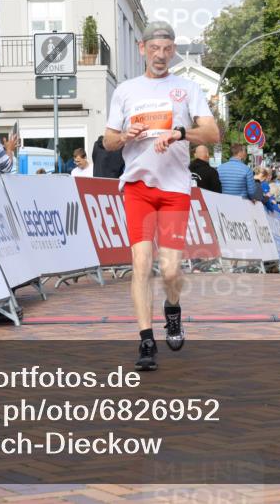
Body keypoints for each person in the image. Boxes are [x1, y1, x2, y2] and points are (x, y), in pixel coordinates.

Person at [103, 21, 219, 371]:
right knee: (140, 264)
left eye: (167, 49)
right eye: (155, 49)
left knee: (170, 271)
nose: (161, 55)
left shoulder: (187, 88)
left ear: (173, 51)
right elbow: (107, 141)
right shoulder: (125, 90)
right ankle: (145, 340)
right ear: (142, 49)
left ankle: (173, 310)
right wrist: (126, 135)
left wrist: (180, 133)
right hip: (138, 187)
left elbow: (213, 134)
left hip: (174, 189)